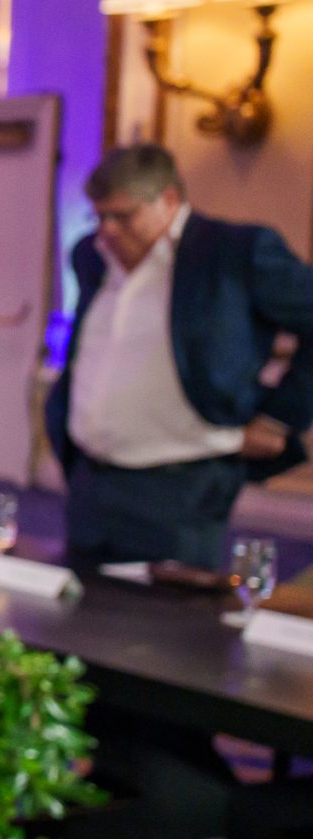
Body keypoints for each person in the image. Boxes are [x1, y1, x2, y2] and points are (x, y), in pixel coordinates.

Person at [46, 141, 313, 569]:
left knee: (169, 627)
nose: (107, 231)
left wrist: (281, 414)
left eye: (123, 215)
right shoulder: (91, 256)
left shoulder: (234, 253)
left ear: (168, 200)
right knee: (80, 613)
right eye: (99, 217)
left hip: (181, 485)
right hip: (90, 480)